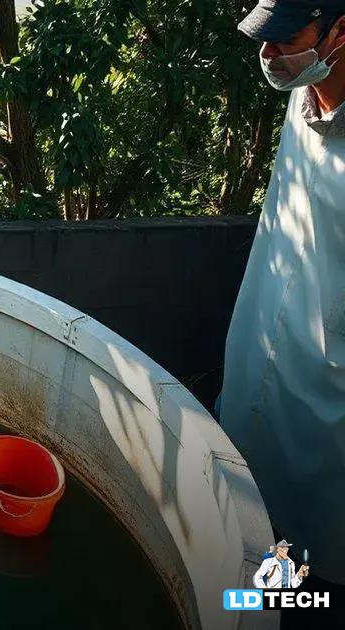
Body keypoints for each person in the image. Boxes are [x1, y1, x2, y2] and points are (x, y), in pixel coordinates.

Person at [221, 0, 345, 587]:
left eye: (285, 37)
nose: (269, 55)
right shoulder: (304, 95)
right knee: (239, 540)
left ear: (340, 32)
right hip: (257, 358)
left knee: (308, 577)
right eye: (263, 39)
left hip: (328, 402)